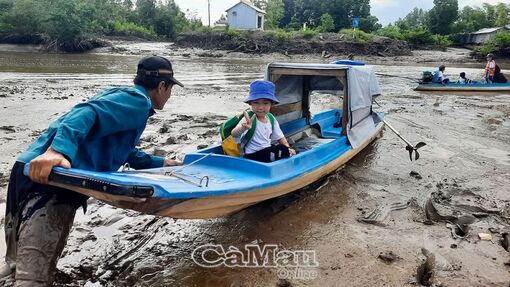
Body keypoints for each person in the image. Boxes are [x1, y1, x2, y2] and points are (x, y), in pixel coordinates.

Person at [0, 55, 184, 286]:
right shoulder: (138, 102)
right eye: (170, 89)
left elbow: (125, 151)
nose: (169, 95)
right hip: (54, 179)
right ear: (161, 86)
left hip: (28, 168)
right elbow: (84, 112)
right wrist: (59, 151)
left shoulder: (123, 97)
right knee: (33, 277)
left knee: (15, 262)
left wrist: (161, 162)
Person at [231, 80, 296, 163]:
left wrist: (288, 147)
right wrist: (243, 128)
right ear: (250, 103)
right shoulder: (249, 118)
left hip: (266, 150)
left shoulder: (271, 118)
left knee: (284, 148)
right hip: (252, 155)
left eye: (265, 103)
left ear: (271, 104)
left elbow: (280, 137)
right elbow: (234, 133)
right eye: (256, 103)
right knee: (282, 150)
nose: (260, 107)